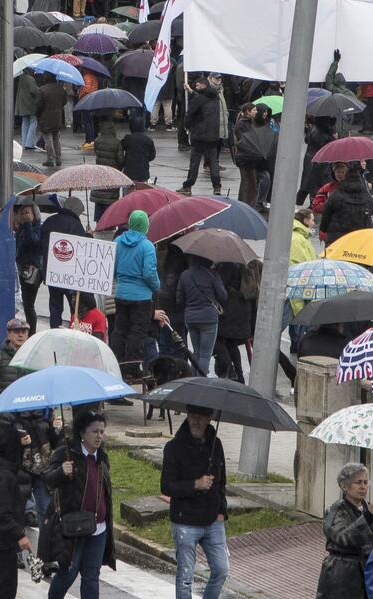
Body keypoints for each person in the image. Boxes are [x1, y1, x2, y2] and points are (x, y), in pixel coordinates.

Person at [43, 411, 117, 599]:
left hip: (98, 527)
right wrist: (61, 471)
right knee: (67, 573)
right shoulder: (66, 453)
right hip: (73, 527)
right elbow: (48, 480)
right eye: (95, 431)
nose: (99, 436)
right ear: (83, 433)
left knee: (91, 576)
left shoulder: (102, 457)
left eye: (102, 431)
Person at [162, 407, 229, 599]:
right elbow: (167, 486)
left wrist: (221, 511)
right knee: (185, 576)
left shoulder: (216, 445)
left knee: (221, 569)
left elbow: (222, 481)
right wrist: (195, 484)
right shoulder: (174, 447)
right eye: (192, 416)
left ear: (210, 419)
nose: (195, 421)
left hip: (212, 520)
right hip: (185, 520)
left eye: (200, 417)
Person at [0, 421, 37, 599]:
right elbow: (3, 514)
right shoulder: (4, 477)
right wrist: (19, 535)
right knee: (7, 583)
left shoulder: (1, 470)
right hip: (3, 538)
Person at [321, 462, 373, 599]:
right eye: (358, 482)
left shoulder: (370, 509)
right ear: (344, 486)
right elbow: (343, 537)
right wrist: (368, 516)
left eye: (365, 482)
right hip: (342, 575)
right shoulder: (336, 511)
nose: (363, 487)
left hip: (368, 573)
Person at [111, 210, 160, 368]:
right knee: (137, 333)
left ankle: (117, 362)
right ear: (146, 226)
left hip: (121, 293)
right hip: (141, 298)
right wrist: (156, 286)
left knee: (120, 330)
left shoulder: (118, 241)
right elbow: (149, 273)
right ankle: (132, 367)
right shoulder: (147, 246)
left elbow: (112, 268)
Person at [176, 252, 228, 377]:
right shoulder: (212, 274)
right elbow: (223, 296)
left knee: (197, 353)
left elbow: (179, 299)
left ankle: (194, 380)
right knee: (205, 355)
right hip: (209, 318)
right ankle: (201, 382)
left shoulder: (185, 275)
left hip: (191, 318)